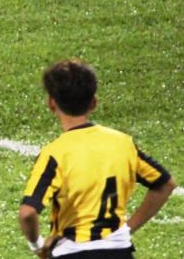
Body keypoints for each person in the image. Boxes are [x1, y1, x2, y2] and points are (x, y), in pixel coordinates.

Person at [19, 59, 175, 258]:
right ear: (94, 102)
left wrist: (37, 246)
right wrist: (127, 230)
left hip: (72, 252)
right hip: (120, 252)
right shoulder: (123, 143)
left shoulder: (54, 153)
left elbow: (27, 213)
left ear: (51, 103)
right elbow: (165, 184)